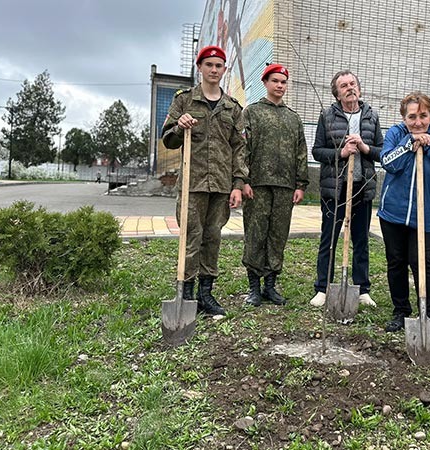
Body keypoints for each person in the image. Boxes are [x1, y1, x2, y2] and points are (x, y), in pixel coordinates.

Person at [161, 45, 247, 317]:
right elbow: (168, 140)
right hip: (192, 184)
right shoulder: (184, 100)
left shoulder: (233, 108)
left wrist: (237, 184)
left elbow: (239, 148)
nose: (213, 70)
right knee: (190, 237)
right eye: (208, 65)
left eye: (218, 66)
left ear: (224, 70)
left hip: (221, 185)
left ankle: (205, 294)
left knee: (212, 237)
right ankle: (185, 294)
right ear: (200, 68)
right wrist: (178, 127)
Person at [378, 92, 430, 332]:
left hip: (425, 215)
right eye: (412, 116)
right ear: (404, 117)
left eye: (423, 116)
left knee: (421, 261)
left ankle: (428, 314)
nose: (418, 122)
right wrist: (408, 145)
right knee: (396, 262)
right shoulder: (396, 133)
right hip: (393, 212)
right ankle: (401, 311)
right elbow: (388, 162)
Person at [309, 70, 383, 308]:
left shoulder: (371, 116)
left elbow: (381, 151)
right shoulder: (327, 115)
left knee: (361, 239)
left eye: (353, 83)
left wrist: (364, 147)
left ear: (359, 88)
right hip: (336, 188)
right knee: (329, 238)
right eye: (344, 85)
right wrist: (340, 154)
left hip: (362, 187)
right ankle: (323, 287)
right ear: (337, 93)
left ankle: (362, 289)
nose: (350, 88)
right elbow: (317, 151)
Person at [241, 64, 309, 306]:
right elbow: (243, 149)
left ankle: (270, 285)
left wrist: (301, 184)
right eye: (275, 81)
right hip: (257, 185)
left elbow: (301, 152)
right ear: (265, 83)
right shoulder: (252, 112)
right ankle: (253, 287)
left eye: (283, 81)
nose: (280, 85)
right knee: (256, 234)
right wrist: (243, 181)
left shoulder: (293, 117)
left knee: (278, 235)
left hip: (285, 187)